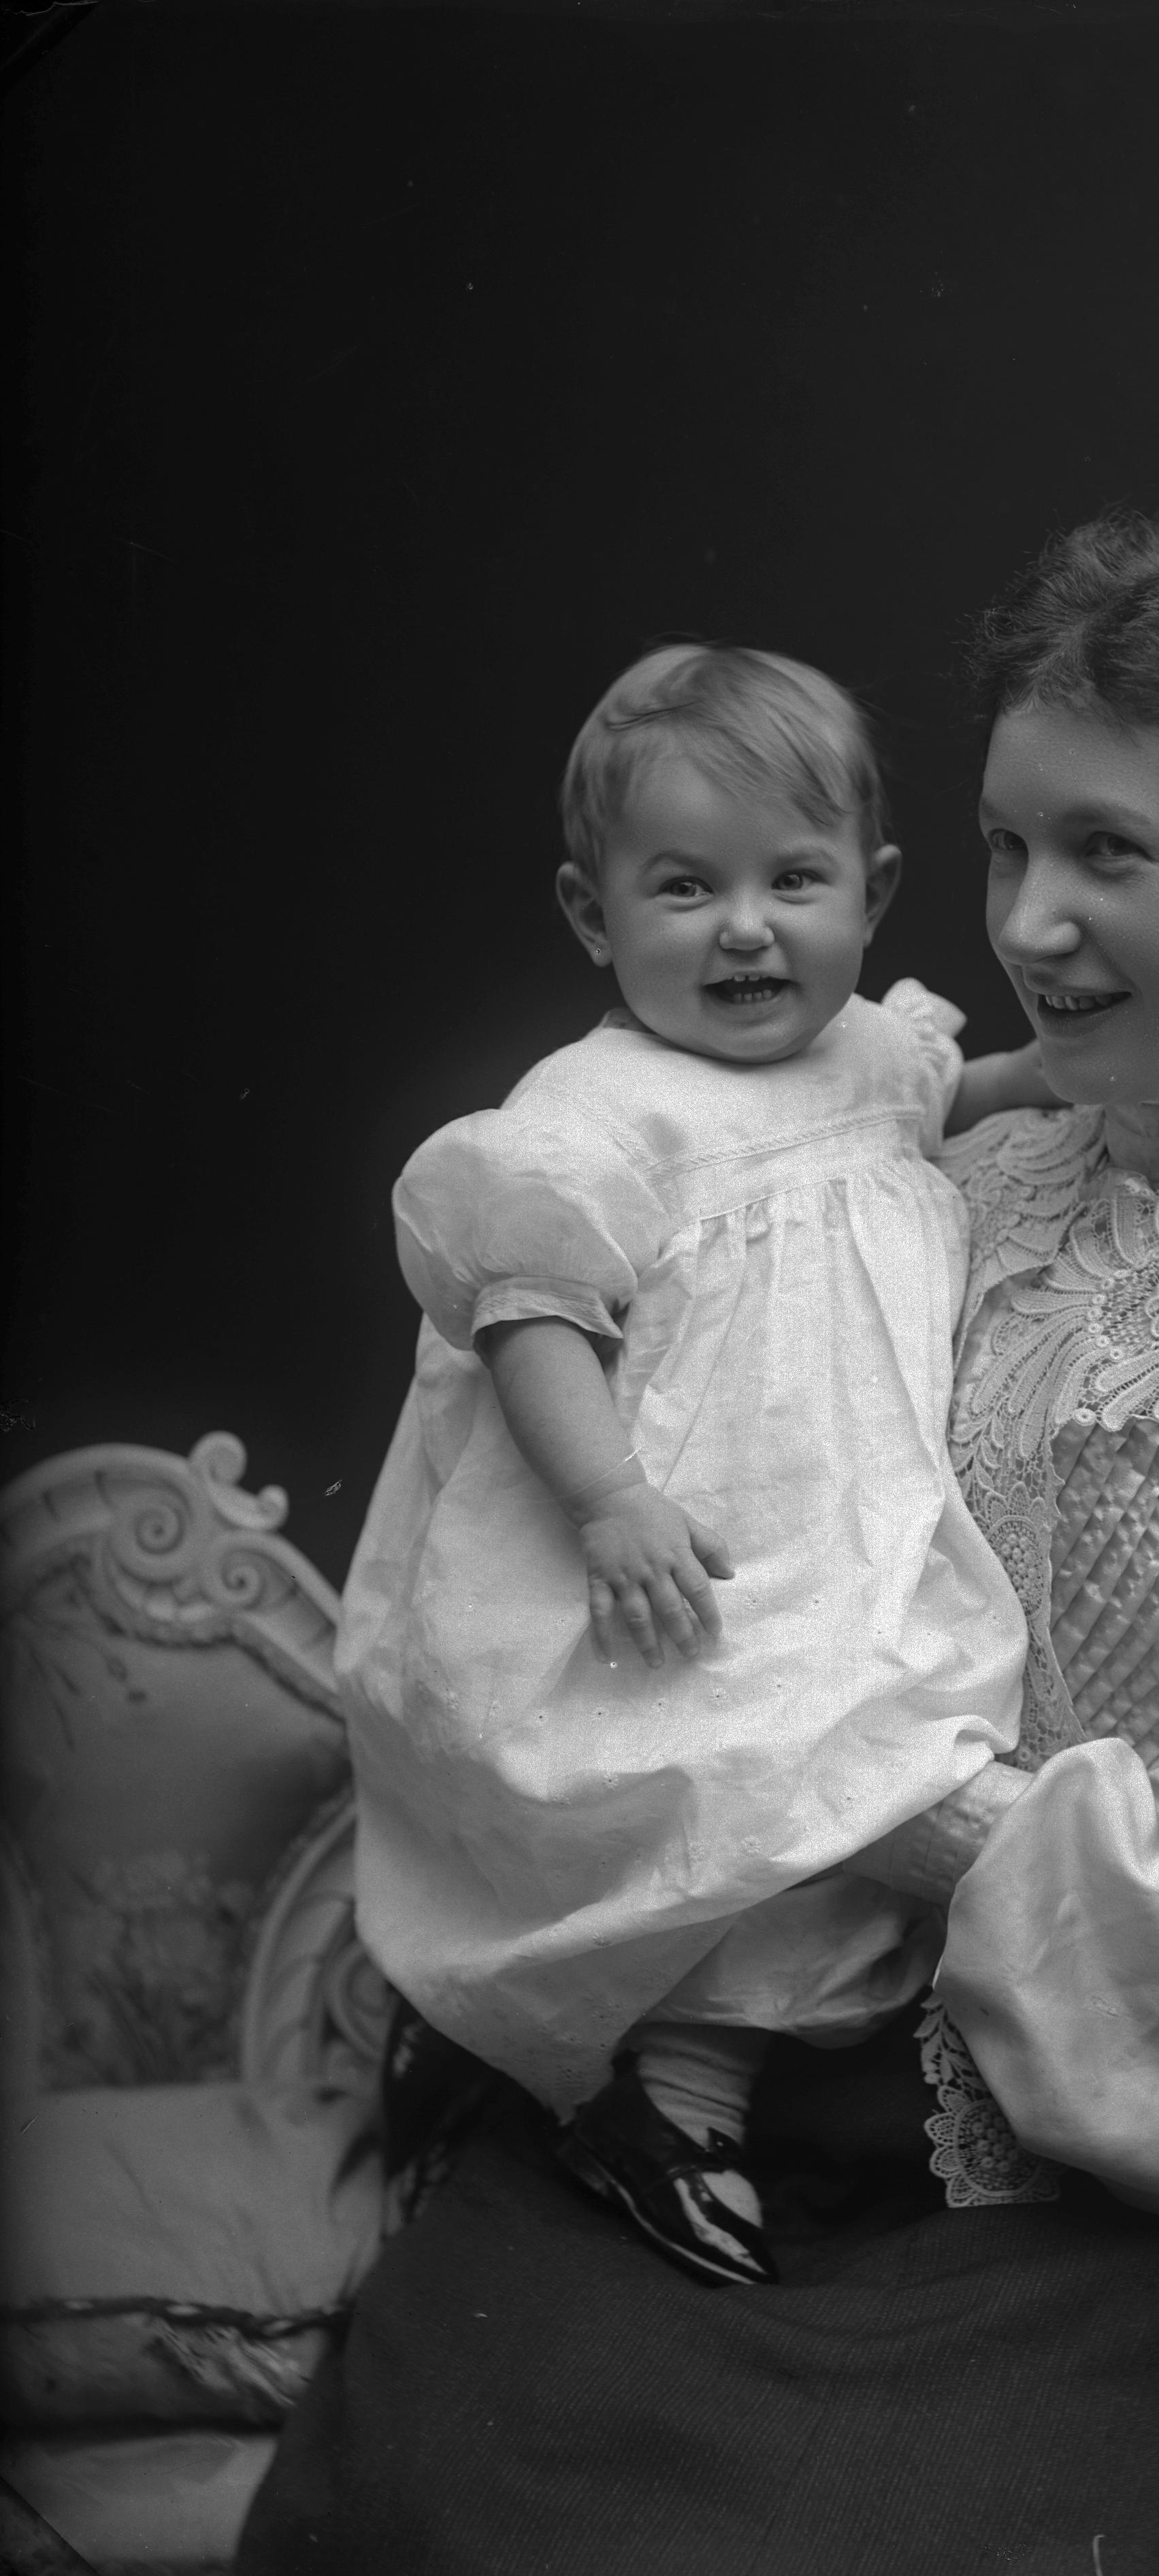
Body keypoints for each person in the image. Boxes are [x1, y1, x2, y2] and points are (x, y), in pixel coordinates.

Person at [242, 513, 1159, 2576]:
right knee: (412, 2477)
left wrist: (884, 1790)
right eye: (1009, 845)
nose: (1025, 921)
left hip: (1110, 2187)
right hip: (746, 2068)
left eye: (1109, 852)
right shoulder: (942, 1160)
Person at [337, 643, 1046, 2287]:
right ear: (592, 916)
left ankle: (697, 2105)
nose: (744, 928)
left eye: (792, 881)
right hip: (669, 1536)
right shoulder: (594, 1110)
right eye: (683, 888)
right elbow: (526, 1315)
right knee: (719, 1790)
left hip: (837, 1521)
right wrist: (608, 1501)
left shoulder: (873, 1054)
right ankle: (665, 2106)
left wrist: (1090, 1082)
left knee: (820, 1794)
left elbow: (963, 1097)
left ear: (870, 894)